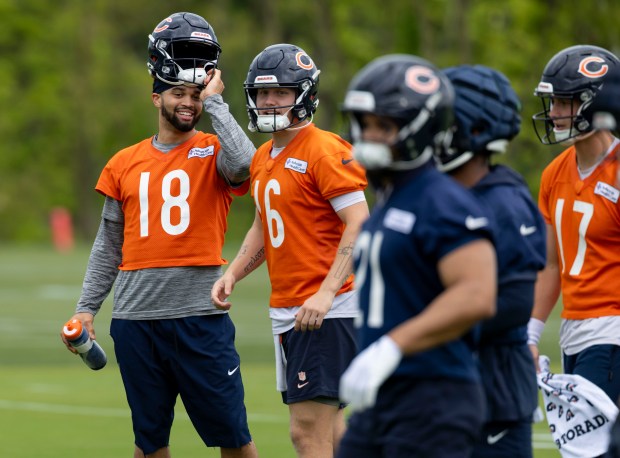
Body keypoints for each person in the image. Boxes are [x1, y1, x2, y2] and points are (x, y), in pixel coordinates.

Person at [60, 12, 258, 458]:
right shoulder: (123, 162)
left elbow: (246, 164)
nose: (187, 103)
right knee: (150, 445)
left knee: (235, 440)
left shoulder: (213, 150)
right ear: (156, 98)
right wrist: (87, 308)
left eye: (195, 95)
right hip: (135, 321)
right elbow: (108, 245)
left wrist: (218, 103)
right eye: (177, 94)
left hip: (199, 318)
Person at [210, 43, 369, 457]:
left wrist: (327, 292)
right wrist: (233, 273)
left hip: (324, 310)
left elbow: (360, 222)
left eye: (280, 92)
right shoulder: (264, 155)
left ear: (305, 94)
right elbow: (264, 225)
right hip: (290, 308)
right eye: (262, 93)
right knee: (332, 427)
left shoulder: (325, 149)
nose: (268, 101)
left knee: (306, 432)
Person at [336, 54, 497, 458]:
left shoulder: (443, 202)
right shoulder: (390, 199)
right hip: (385, 399)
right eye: (366, 124)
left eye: (383, 126)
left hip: (434, 396)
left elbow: (476, 294)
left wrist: (392, 346)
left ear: (420, 129)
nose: (370, 136)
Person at [436, 64, 546, 458]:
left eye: (441, 122)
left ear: (473, 129)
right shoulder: (442, 196)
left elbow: (512, 305)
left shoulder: (504, 203)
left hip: (493, 394)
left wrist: (418, 328)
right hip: (444, 390)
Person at [528, 44, 620, 408]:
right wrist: (531, 332)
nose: (554, 114)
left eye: (565, 103)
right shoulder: (555, 172)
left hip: (611, 329)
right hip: (573, 331)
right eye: (553, 103)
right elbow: (553, 263)